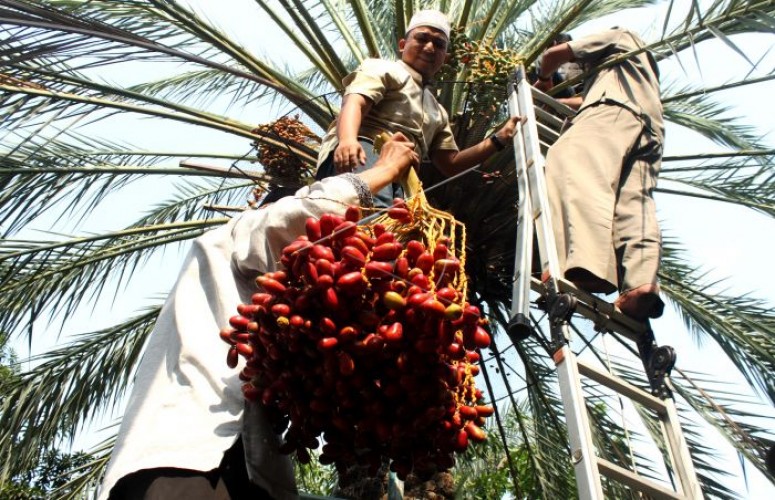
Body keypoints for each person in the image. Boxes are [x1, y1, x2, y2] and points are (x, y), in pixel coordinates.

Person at [98, 134, 420, 500]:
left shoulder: (277, 333)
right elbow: (297, 216)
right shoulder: (229, 239)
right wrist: (383, 171)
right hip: (184, 460)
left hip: (247, 474)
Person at [316, 9, 519, 206]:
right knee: (369, 210)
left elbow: (451, 164)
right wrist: (347, 140)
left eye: (439, 44)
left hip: (405, 176)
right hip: (365, 153)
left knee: (386, 228)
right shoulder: (385, 68)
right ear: (403, 45)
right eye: (422, 39)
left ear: (445, 57)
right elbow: (355, 102)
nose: (430, 47)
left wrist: (499, 139)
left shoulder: (437, 111)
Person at [534, 28, 665, 321]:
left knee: (569, 160)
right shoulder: (632, 72)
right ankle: (641, 284)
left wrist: (543, 78)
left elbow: (553, 56)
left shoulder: (620, 35)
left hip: (612, 112)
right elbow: (583, 101)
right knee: (633, 204)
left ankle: (590, 266)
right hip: (648, 130)